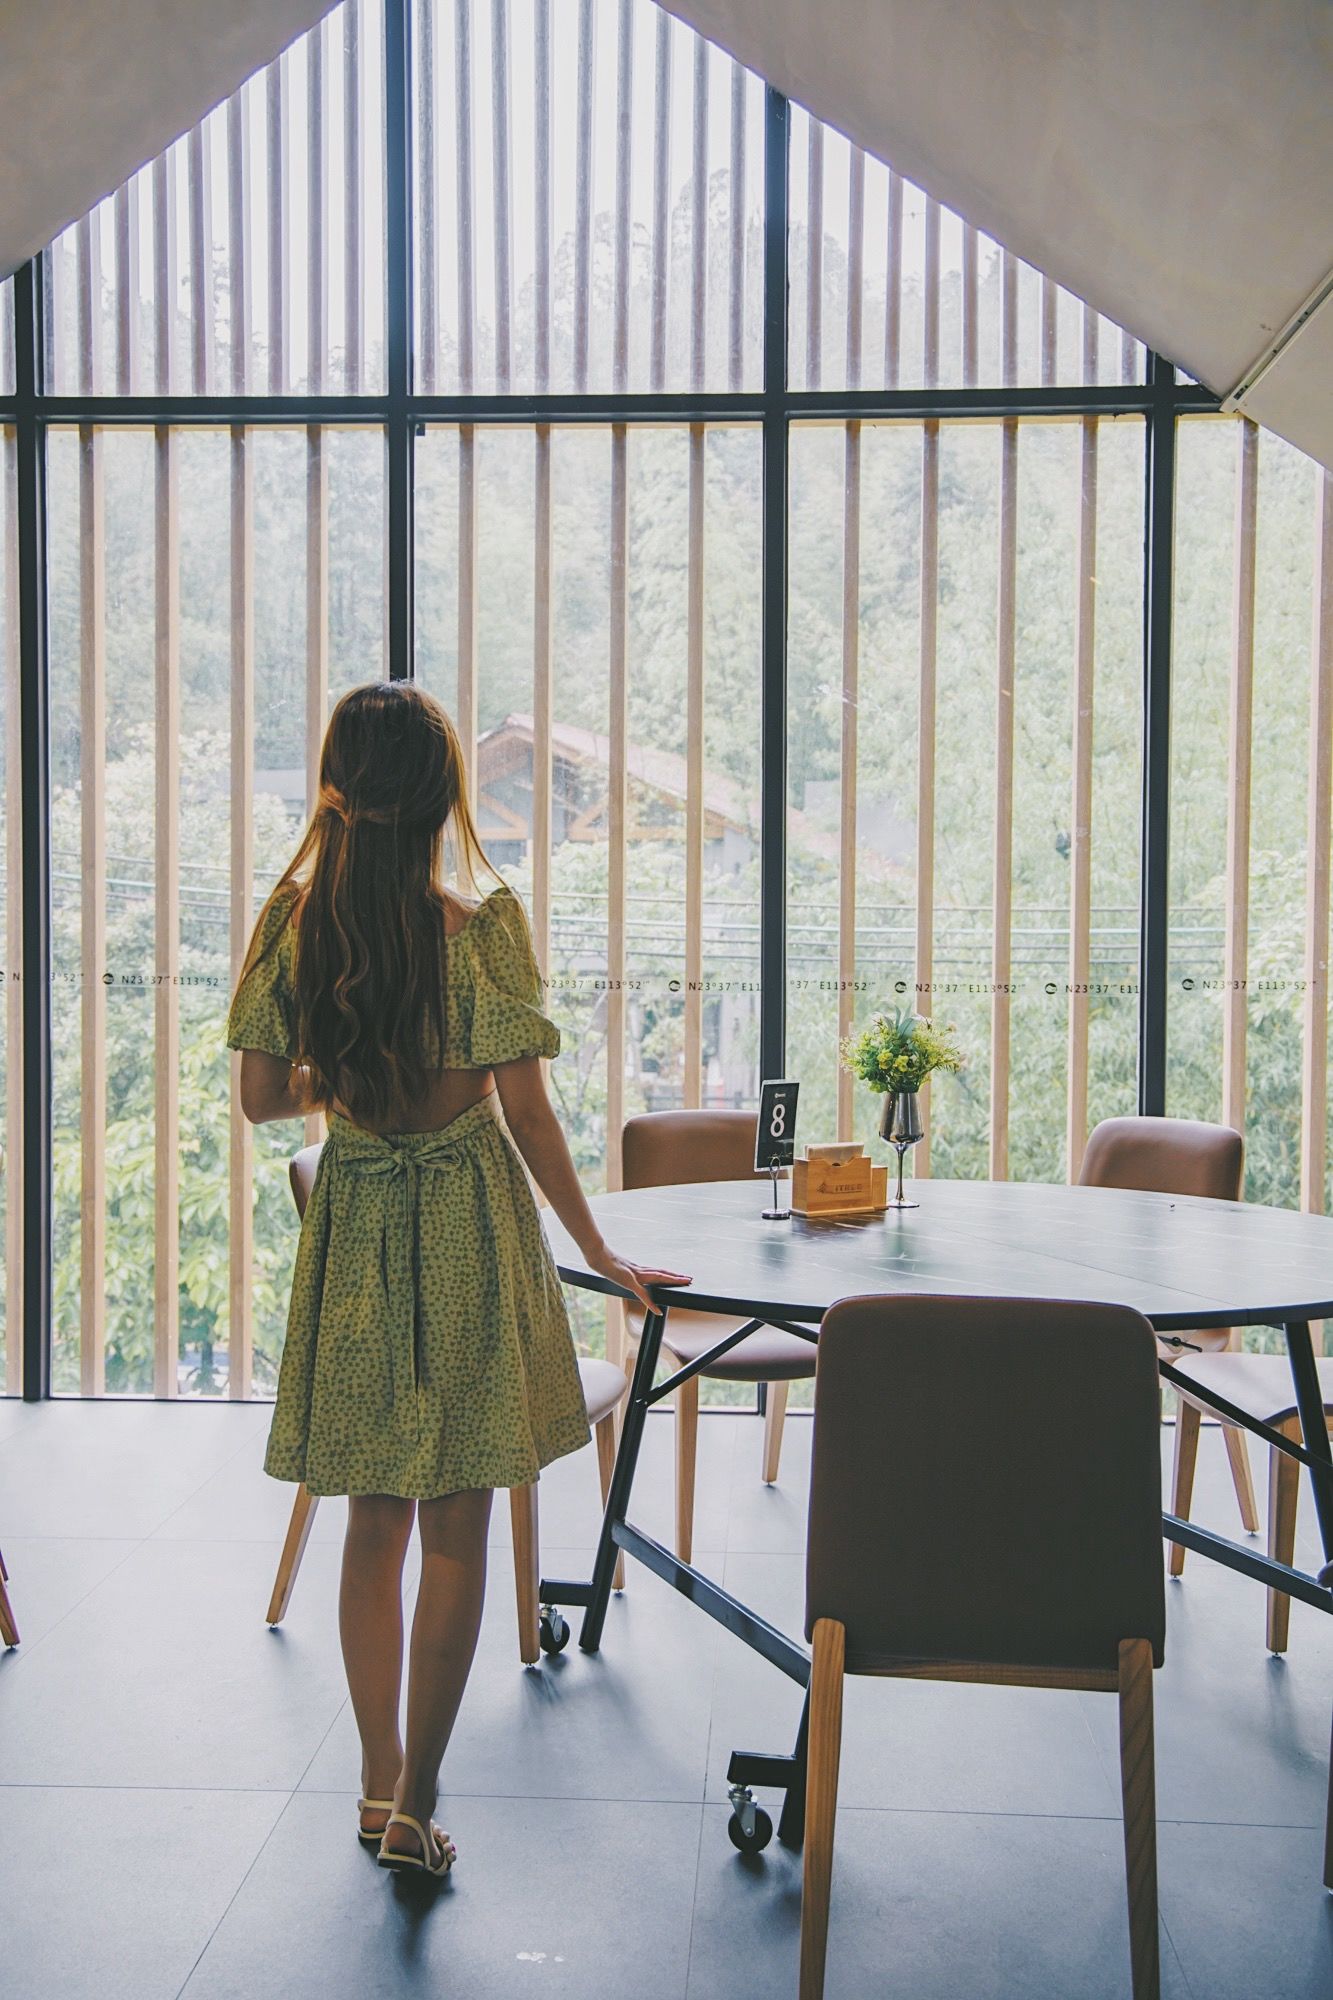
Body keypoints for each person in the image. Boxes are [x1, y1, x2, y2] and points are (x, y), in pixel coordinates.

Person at [227, 681, 689, 1879]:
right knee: (456, 1529)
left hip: (364, 1213)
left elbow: (262, 1098)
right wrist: (599, 1255)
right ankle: (422, 1799)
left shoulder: (291, 925)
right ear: (442, 795)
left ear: (335, 782)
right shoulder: (480, 925)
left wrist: (350, 1068)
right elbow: (529, 1116)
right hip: (474, 1224)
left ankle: (375, 1780)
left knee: (371, 1523)